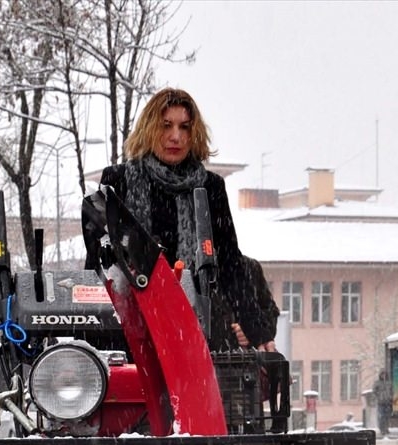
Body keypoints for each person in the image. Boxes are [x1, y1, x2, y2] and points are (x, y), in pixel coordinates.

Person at [82, 88, 277, 351]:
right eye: (166, 126)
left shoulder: (210, 187)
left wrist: (256, 328)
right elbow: (100, 263)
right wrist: (90, 335)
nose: (176, 136)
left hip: (197, 334)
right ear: (150, 128)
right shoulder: (118, 181)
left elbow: (230, 261)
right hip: (133, 331)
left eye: (185, 127)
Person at [373, 368, 393, 436]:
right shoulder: (377, 383)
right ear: (380, 375)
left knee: (387, 416)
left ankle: (386, 428)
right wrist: (379, 396)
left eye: (385, 374)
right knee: (381, 416)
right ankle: (382, 429)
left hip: (388, 402)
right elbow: (374, 391)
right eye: (382, 374)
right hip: (381, 402)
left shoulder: (389, 382)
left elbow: (391, 391)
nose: (383, 375)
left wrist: (390, 397)